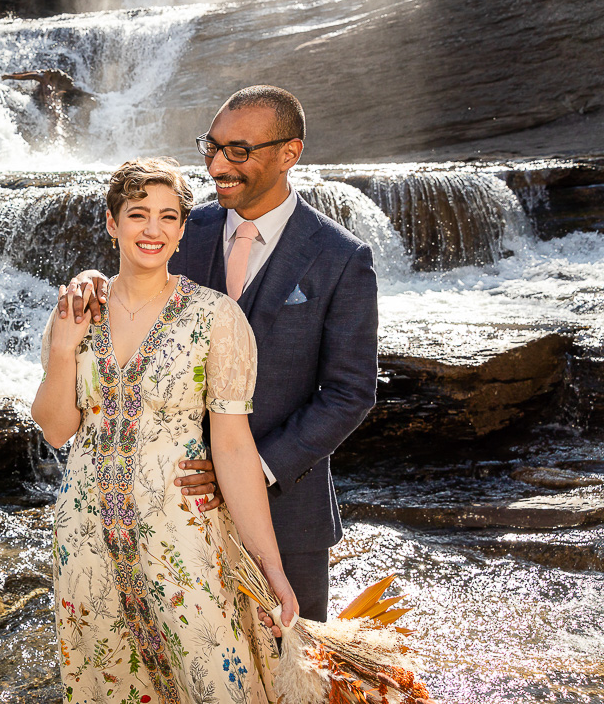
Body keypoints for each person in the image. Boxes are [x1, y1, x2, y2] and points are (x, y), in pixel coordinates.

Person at [59, 86, 379, 625]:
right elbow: (134, 288)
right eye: (211, 147)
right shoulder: (184, 227)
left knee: (287, 673)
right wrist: (89, 279)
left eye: (238, 151)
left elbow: (350, 394)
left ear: (289, 154)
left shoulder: (342, 257)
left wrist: (253, 470)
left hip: (285, 513)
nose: (216, 165)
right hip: (165, 508)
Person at [31, 157, 298, 704]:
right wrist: (64, 347)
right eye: (137, 215)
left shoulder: (214, 317)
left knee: (215, 679)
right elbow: (58, 430)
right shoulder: (78, 310)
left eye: (167, 217)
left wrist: (269, 564)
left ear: (181, 229)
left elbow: (232, 445)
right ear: (112, 224)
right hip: (87, 537)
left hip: (182, 537)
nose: (151, 230)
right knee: (110, 683)